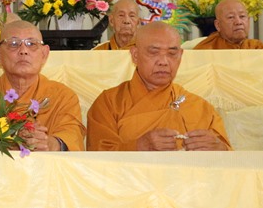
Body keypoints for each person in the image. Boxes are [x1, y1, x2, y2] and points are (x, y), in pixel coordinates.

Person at [86, 21, 231, 151]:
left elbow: (230, 159)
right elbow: (96, 160)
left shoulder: (199, 107)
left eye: (172, 53)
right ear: (135, 55)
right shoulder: (109, 103)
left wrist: (219, 149)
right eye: (154, 52)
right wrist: (138, 146)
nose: (163, 61)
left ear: (180, 56)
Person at [0, 20, 86, 151]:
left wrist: (49, 143)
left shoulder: (62, 95)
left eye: (32, 44)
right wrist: (13, 140)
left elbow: (72, 135)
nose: (23, 51)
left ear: (44, 54)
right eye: (13, 44)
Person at [193, 0, 263, 49]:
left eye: (242, 16)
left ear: (248, 21)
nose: (238, 22)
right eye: (231, 17)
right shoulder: (206, 49)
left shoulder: (257, 47)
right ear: (218, 25)